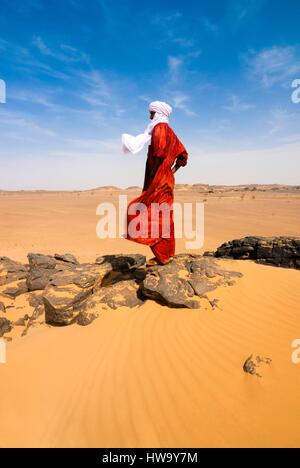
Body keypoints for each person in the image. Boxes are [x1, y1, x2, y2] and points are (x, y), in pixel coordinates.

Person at [122, 101, 188, 265]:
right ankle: (167, 254)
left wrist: (159, 168)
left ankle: (163, 255)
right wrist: (171, 172)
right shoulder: (171, 132)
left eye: (151, 113)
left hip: (158, 179)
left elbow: (159, 151)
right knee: (164, 215)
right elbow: (183, 156)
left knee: (143, 211)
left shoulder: (160, 129)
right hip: (166, 179)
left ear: (158, 113)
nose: (149, 116)